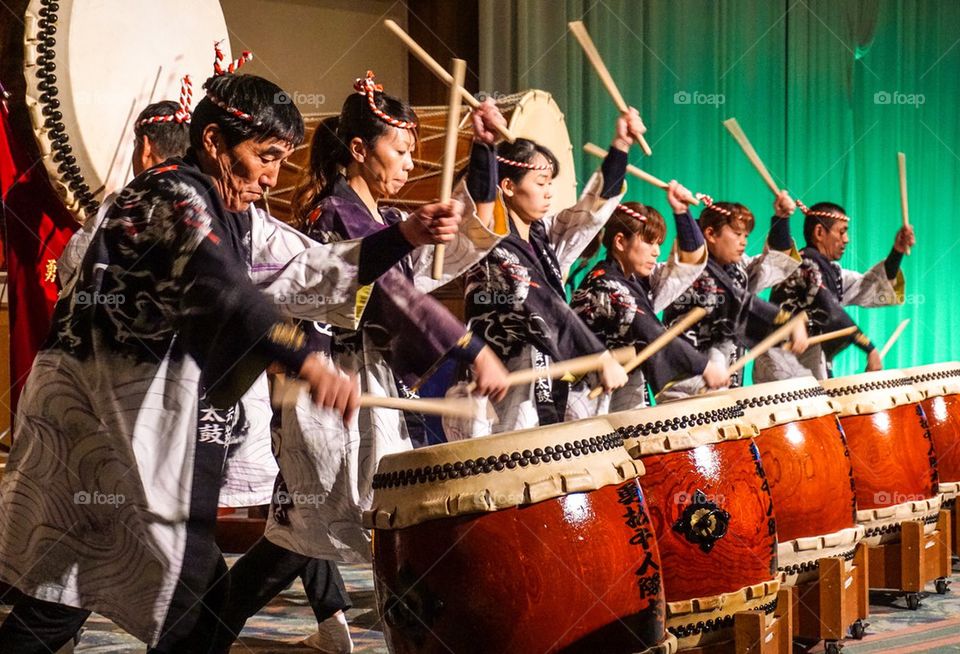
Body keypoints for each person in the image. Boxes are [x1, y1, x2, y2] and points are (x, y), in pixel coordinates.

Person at [0, 70, 463, 653]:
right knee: (176, 600)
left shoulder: (236, 213)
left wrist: (403, 235)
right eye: (264, 156)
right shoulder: (167, 196)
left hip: (131, 437)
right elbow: (226, 290)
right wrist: (306, 360)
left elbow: (308, 270)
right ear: (215, 142)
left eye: (281, 158)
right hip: (97, 427)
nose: (272, 175)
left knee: (71, 594)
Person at [211, 72, 510, 653]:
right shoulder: (335, 216)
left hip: (363, 386)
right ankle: (201, 632)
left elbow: (452, 254)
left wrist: (486, 152)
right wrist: (468, 349)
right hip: (326, 386)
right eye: (399, 150)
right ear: (358, 149)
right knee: (308, 529)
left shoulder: (379, 217)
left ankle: (381, 631)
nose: (407, 163)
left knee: (324, 528)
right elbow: (396, 298)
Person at [446, 111, 650, 437]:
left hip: (534, 383)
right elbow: (539, 301)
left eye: (550, 183)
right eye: (541, 183)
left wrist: (621, 145)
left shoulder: (543, 235)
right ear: (509, 187)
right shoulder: (493, 247)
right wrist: (596, 355)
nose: (549, 192)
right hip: (490, 393)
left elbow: (590, 211)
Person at [568, 188, 728, 415]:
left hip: (619, 380)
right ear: (621, 242)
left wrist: (682, 212)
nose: (657, 251)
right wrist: (705, 367)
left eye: (659, 243)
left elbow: (688, 264)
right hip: (579, 386)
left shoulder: (638, 278)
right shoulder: (606, 285)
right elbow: (652, 333)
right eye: (649, 242)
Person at [659, 192, 808, 398]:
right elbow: (735, 300)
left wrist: (782, 219)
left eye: (746, 236)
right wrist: (785, 321)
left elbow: (775, 263)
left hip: (723, 377)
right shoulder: (691, 271)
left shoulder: (737, 269)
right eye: (737, 234)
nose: (744, 242)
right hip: (687, 382)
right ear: (710, 234)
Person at [754, 201, 915, 380]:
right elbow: (829, 308)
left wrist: (897, 252)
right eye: (842, 231)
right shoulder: (805, 266)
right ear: (819, 233)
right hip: (782, 365)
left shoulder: (832, 272)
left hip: (806, 363)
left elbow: (869, 286)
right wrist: (869, 348)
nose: (847, 239)